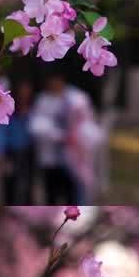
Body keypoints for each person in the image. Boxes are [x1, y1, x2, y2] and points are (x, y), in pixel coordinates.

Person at [32, 69, 95, 204]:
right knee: (52, 195)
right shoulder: (43, 100)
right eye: (51, 81)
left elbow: (86, 124)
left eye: (57, 80)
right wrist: (58, 135)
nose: (54, 84)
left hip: (73, 159)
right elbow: (37, 126)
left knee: (72, 195)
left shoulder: (78, 99)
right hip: (51, 159)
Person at [0, 79, 37, 204]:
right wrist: (0, 155)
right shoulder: (8, 109)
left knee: (28, 185)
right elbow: (1, 132)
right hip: (10, 153)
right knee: (9, 185)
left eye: (28, 91)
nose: (25, 94)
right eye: (23, 91)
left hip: (28, 152)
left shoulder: (33, 109)